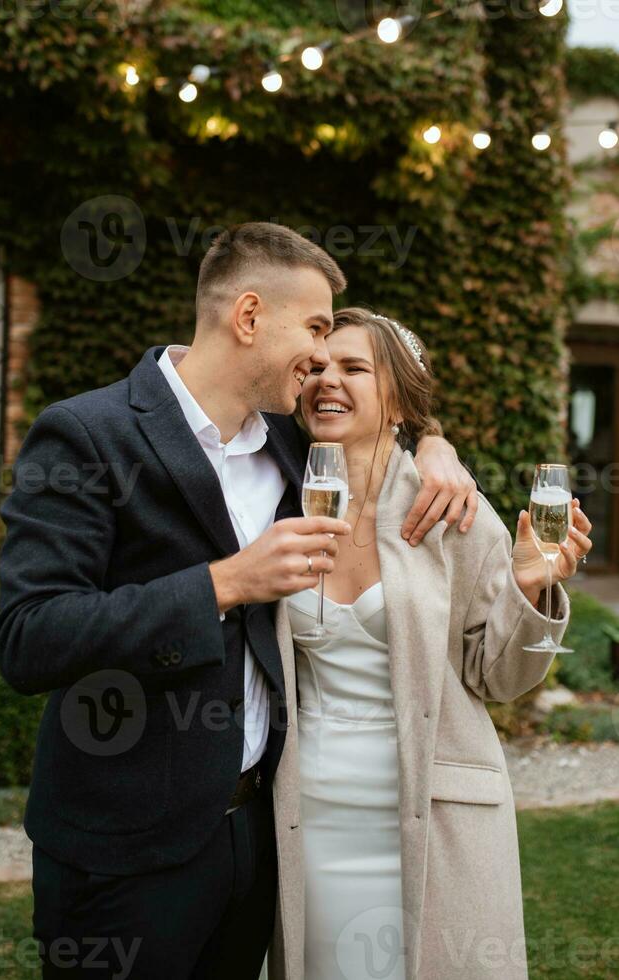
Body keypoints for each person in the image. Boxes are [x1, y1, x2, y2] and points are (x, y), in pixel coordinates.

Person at [0, 224, 480, 980]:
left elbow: (381, 428)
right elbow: (30, 637)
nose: (322, 359)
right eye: (314, 329)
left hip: (259, 839)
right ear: (248, 317)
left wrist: (438, 448)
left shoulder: (292, 447)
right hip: (124, 853)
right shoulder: (87, 435)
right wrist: (224, 584)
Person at [266, 307, 592, 980]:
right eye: (318, 366)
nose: (328, 380)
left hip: (429, 811)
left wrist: (530, 589)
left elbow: (500, 678)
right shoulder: (271, 498)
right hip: (306, 814)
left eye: (355, 368)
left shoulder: (455, 513)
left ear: (398, 401)